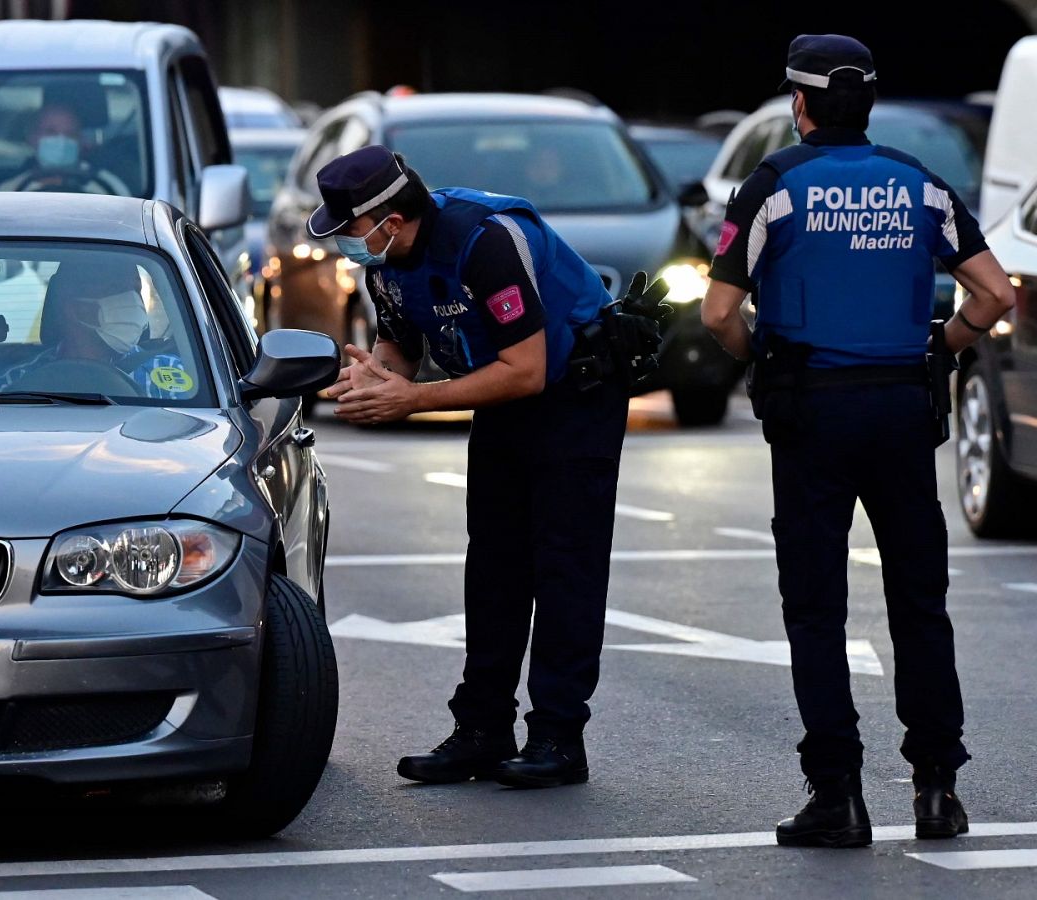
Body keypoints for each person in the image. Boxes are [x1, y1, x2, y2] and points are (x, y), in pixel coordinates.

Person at [701, 34, 1017, 848]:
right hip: (904, 411)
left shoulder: (772, 186)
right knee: (920, 602)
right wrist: (940, 345)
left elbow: (716, 315)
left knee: (816, 607)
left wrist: (756, 358)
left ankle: (837, 795)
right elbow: (994, 291)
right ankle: (938, 792)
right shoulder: (921, 185)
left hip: (811, 414)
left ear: (799, 105)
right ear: (867, 103)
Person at [314, 145, 647, 788]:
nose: (344, 245)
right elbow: (399, 351)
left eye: (348, 229)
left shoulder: (485, 243)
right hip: (503, 395)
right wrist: (372, 380)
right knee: (492, 563)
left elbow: (524, 371)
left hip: (573, 395)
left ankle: (557, 736)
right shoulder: (384, 268)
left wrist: (413, 401)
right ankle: (483, 729)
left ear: (387, 217)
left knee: (562, 563)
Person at [0, 263, 195, 400]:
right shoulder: (17, 384)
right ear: (74, 309)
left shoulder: (174, 377)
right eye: (115, 288)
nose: (132, 300)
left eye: (135, 290)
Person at [0, 102, 130, 196]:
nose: (61, 140)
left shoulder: (107, 187)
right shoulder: (10, 191)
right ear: (32, 137)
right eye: (51, 132)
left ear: (81, 142)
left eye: (71, 134)